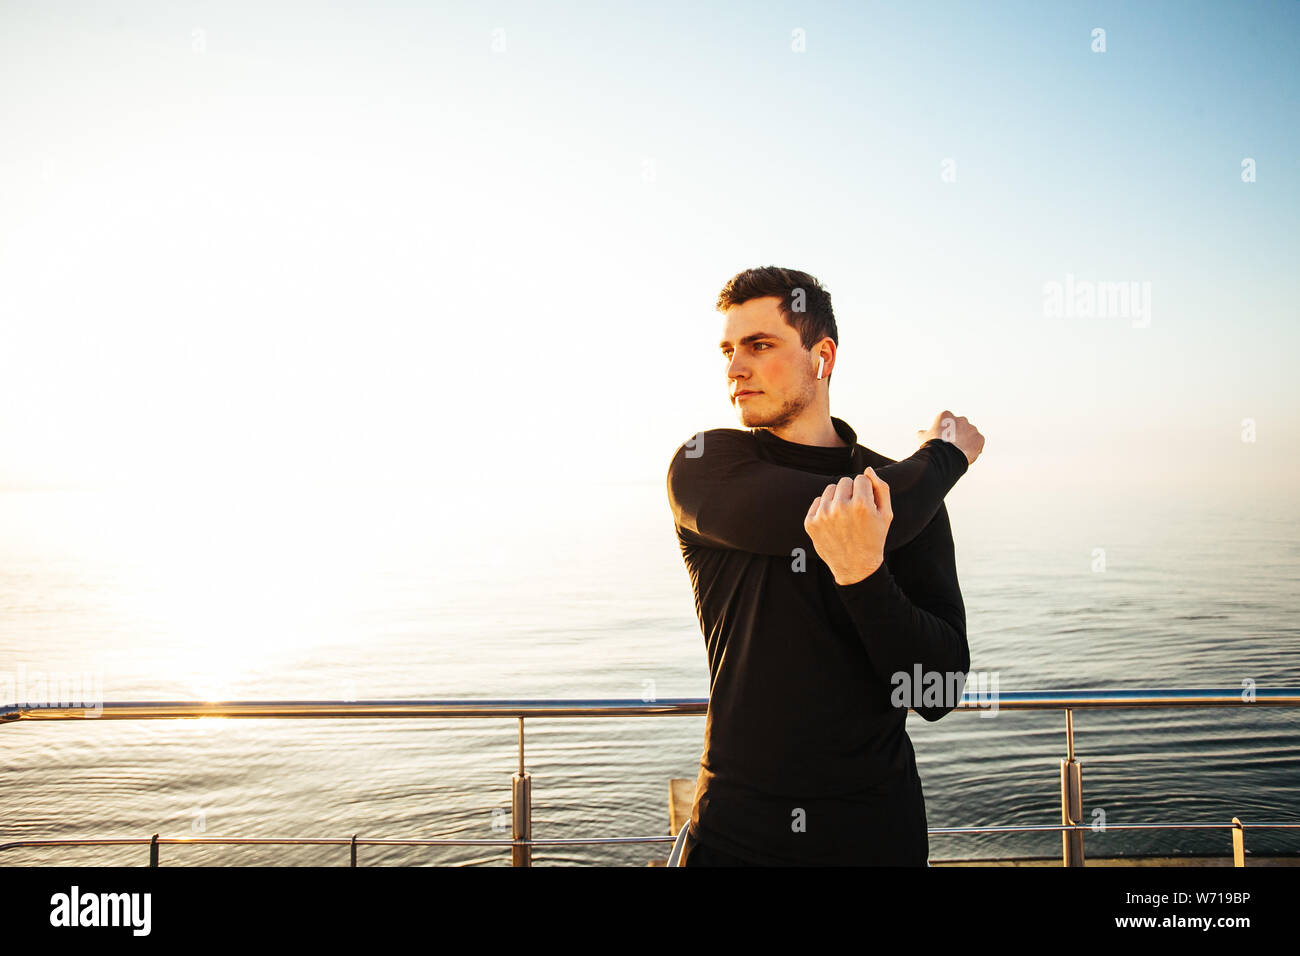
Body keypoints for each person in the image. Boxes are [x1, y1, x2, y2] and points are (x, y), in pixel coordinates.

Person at [666, 266, 985, 866]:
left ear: (823, 355)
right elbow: (824, 513)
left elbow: (936, 689)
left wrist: (864, 577)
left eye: (760, 346)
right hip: (738, 832)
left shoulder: (908, 495)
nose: (736, 368)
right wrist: (945, 455)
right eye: (728, 350)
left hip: (875, 833)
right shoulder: (707, 465)